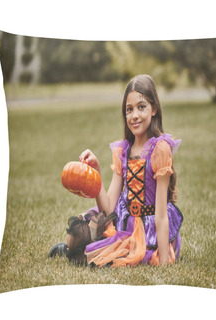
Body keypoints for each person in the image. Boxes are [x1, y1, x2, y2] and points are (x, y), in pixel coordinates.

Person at [49, 74, 183, 266]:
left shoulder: (160, 150)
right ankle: (73, 249)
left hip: (148, 232)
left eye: (141, 107)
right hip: (123, 221)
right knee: (79, 231)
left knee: (118, 253)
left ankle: (78, 252)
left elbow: (161, 216)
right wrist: (95, 173)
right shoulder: (123, 151)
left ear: (154, 109)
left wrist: (163, 261)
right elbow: (108, 208)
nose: (134, 115)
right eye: (129, 109)